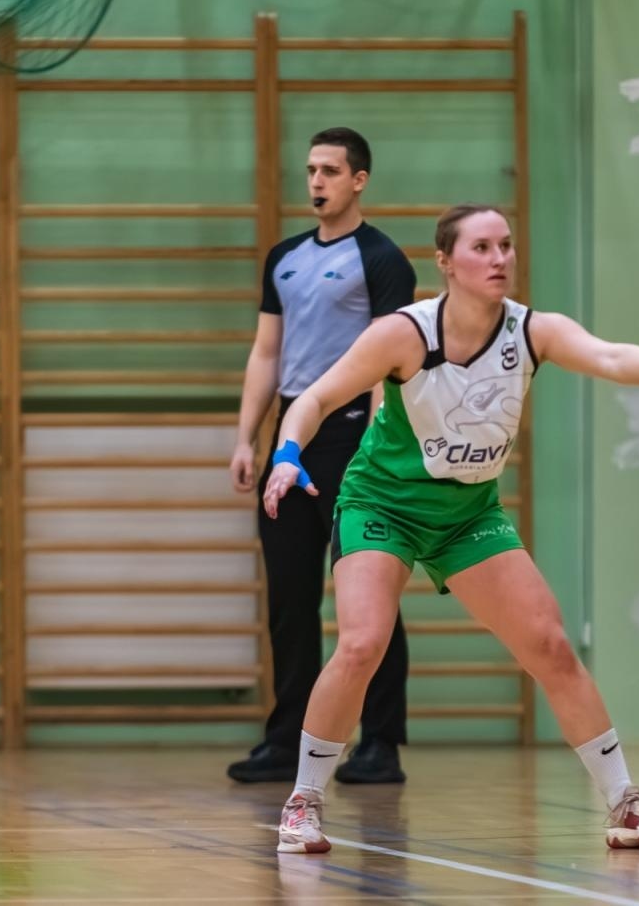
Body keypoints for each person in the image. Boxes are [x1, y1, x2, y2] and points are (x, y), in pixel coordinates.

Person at [262, 203, 639, 854]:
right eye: (481, 247)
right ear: (445, 262)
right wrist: (287, 453)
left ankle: (625, 801)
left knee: (550, 644)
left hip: (468, 514)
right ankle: (303, 801)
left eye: (505, 245)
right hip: (383, 504)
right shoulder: (403, 334)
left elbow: (609, 356)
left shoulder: (533, 331)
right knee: (361, 643)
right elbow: (317, 397)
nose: (499, 258)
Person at [226, 127, 411, 786]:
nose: (317, 181)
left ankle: (380, 742)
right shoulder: (284, 258)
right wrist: (250, 437)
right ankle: (289, 739)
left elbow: (397, 356)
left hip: (357, 432)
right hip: (293, 435)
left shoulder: (382, 258)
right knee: (290, 594)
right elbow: (266, 354)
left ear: (359, 179)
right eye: (310, 169)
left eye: (330, 170)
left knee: (369, 592)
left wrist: (380, 441)